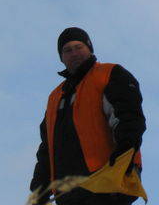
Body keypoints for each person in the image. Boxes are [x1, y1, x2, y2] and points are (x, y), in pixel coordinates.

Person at [30, 27, 146, 204]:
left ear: (89, 48)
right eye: (67, 50)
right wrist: (40, 187)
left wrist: (124, 154)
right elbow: (48, 147)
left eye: (79, 47)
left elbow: (129, 117)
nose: (74, 53)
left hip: (107, 177)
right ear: (61, 58)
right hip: (68, 191)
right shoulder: (55, 97)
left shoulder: (109, 74)